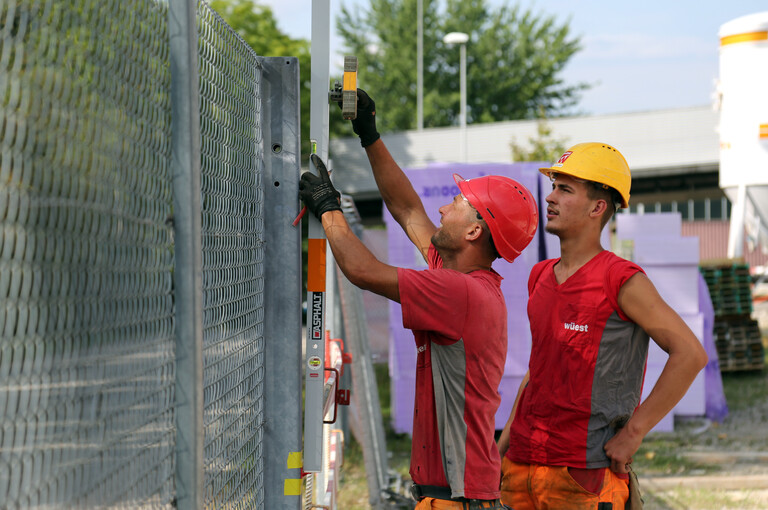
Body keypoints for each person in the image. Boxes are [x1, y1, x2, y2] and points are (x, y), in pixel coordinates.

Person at [299, 89, 539, 509]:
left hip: (456, 499)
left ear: (474, 232)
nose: (444, 210)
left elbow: (363, 271)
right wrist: (369, 133)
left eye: (458, 204)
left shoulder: (458, 292)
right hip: (454, 494)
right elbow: (406, 207)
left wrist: (327, 207)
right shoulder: (458, 275)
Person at [495, 142, 709, 509]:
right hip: (521, 467)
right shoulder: (540, 276)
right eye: (553, 186)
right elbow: (538, 369)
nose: (551, 198)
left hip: (583, 476)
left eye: (565, 189)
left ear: (597, 207)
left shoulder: (621, 279)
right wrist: (500, 449)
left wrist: (634, 433)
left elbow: (690, 354)